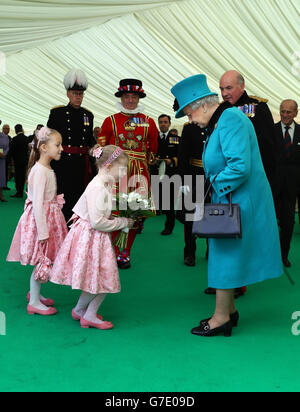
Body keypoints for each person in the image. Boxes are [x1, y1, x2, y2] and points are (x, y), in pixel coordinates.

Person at [171, 74, 282, 337]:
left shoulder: (230, 119)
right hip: (232, 199)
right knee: (224, 254)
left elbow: (239, 166)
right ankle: (229, 311)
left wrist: (211, 189)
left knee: (224, 255)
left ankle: (221, 318)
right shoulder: (222, 120)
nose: (188, 119)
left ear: (202, 104)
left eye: (188, 112)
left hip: (236, 201)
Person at [50, 145, 135, 330]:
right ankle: (89, 315)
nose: (123, 174)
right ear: (107, 166)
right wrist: (122, 223)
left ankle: (80, 310)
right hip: (92, 236)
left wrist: (114, 217)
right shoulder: (98, 187)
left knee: (94, 276)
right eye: (121, 169)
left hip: (93, 236)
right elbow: (97, 222)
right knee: (105, 278)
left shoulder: (103, 183)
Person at [7, 127, 68, 316]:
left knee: (43, 259)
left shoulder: (46, 168)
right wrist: (43, 231)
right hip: (41, 221)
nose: (61, 149)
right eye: (57, 145)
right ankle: (33, 301)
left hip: (48, 218)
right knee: (41, 260)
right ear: (43, 147)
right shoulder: (40, 171)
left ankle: (36, 294)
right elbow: (39, 204)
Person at [99, 79, 158, 269]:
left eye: (134, 96)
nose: (130, 100)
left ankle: (124, 253)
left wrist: (144, 162)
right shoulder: (110, 121)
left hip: (139, 175)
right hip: (117, 174)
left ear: (139, 98)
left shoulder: (149, 121)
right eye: (127, 96)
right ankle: (110, 251)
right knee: (113, 213)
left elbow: (154, 148)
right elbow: (102, 150)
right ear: (121, 98)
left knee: (133, 214)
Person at [219, 70, 279, 197]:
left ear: (242, 86)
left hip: (253, 177)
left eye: (229, 88)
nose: (224, 94)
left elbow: (269, 147)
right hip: (227, 177)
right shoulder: (220, 110)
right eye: (222, 89)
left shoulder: (258, 107)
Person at [47, 69, 95, 222]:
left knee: (79, 198)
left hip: (81, 164)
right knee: (62, 198)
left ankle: (74, 232)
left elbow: (89, 140)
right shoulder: (58, 113)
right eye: (75, 93)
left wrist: (98, 149)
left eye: (80, 94)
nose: (78, 97)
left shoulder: (88, 115)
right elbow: (50, 139)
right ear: (68, 94)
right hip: (62, 164)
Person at [176, 119, 207, 266]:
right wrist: (183, 181)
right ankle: (189, 252)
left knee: (213, 214)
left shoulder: (219, 124)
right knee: (190, 217)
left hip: (214, 178)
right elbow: (182, 156)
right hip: (193, 176)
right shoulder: (189, 128)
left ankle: (212, 251)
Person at [274, 99, 299, 267]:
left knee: (288, 223)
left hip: (292, 187)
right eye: (283, 111)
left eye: (289, 112)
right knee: (267, 222)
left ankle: (283, 255)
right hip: (272, 185)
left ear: (296, 113)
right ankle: (267, 255)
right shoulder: (271, 131)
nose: (285, 115)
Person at [152, 114, 180, 235]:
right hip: (155, 172)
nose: (163, 124)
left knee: (168, 201)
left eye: (165, 122)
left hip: (170, 173)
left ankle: (169, 226)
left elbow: (180, 155)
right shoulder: (152, 138)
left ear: (169, 123)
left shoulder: (176, 139)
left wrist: (172, 161)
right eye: (161, 122)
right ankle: (138, 225)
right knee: (153, 198)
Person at [9, 124, 30, 198]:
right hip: (24, 160)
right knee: (23, 176)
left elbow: (12, 150)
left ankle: (19, 192)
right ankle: (22, 191)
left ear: (15, 130)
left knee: (18, 176)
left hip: (17, 160)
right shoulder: (26, 138)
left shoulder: (15, 139)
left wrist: (9, 158)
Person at [0, 126, 10, 202]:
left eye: (8, 128)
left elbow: (8, 148)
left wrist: (4, 154)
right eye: (6, 128)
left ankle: (1, 195)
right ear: (3, 129)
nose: (7, 130)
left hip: (2, 159)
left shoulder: (7, 137)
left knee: (2, 176)